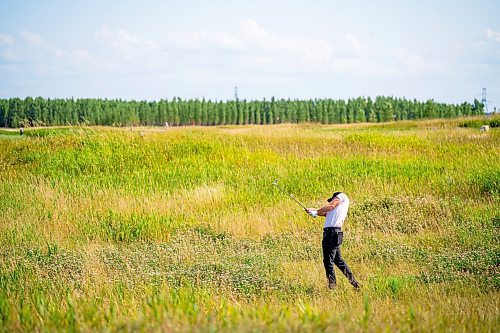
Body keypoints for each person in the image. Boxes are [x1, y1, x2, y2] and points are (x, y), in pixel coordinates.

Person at [306, 192, 360, 290]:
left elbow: (331, 206)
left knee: (328, 260)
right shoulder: (334, 211)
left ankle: (332, 287)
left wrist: (316, 211)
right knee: (338, 260)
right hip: (333, 233)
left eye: (332, 199)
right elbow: (323, 213)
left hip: (332, 233)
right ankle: (355, 284)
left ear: (336, 197)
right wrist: (313, 211)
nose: (331, 201)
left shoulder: (340, 197)